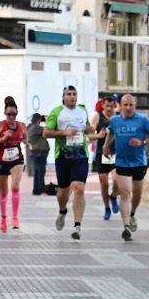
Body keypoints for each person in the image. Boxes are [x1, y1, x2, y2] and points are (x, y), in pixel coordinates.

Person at [103, 95, 149, 242]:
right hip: (122, 162)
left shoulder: (143, 120)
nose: (128, 108)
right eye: (125, 105)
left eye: (131, 105)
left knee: (137, 195)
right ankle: (126, 226)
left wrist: (142, 141)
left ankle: (132, 213)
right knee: (126, 193)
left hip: (139, 162)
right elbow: (111, 133)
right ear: (120, 106)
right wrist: (106, 146)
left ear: (135, 106)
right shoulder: (115, 120)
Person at [44, 86, 91, 240]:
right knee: (63, 192)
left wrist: (94, 131)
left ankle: (77, 226)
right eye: (68, 94)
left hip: (81, 156)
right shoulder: (57, 112)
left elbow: (88, 128)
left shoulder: (83, 111)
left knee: (79, 188)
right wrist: (64, 132)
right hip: (63, 157)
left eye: (74, 94)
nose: (72, 97)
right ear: (63, 97)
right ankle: (62, 210)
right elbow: (46, 132)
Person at [0, 97, 26, 232]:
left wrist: (28, 143)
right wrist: (3, 139)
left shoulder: (21, 125)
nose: (11, 117)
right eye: (9, 114)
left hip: (17, 160)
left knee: (15, 187)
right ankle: (3, 219)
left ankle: (15, 218)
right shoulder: (0, 125)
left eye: (14, 114)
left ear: (17, 114)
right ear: (5, 114)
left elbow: (25, 138)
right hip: (2, 161)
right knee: (4, 192)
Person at [89, 95, 119, 220]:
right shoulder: (97, 116)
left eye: (111, 106)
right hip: (102, 154)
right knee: (104, 184)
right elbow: (89, 136)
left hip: (116, 153)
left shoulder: (118, 118)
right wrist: (99, 136)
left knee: (117, 180)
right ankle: (107, 207)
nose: (109, 109)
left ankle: (113, 196)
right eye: (107, 106)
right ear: (103, 106)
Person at [25, 113, 50, 196]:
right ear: (38, 120)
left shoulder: (29, 127)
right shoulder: (36, 128)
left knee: (37, 172)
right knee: (40, 172)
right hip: (39, 153)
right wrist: (47, 121)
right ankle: (41, 190)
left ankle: (36, 190)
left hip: (36, 153)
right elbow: (48, 130)